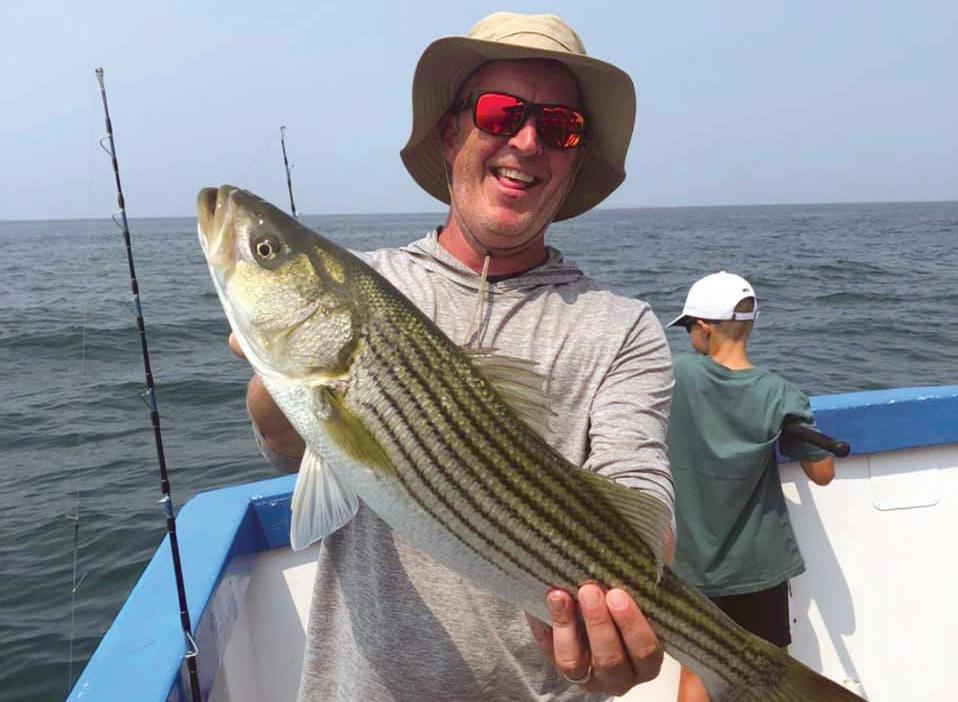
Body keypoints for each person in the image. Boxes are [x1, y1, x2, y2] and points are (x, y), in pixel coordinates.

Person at [233, 12, 676, 701]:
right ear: (449, 133)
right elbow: (288, 447)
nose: (526, 141)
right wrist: (287, 369)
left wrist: (626, 608)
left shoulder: (623, 328)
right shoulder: (364, 281)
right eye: (500, 113)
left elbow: (640, 491)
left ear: (576, 158)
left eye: (560, 127)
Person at [664, 271, 835, 702]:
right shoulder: (779, 393)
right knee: (769, 673)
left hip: (691, 565)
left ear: (704, 327)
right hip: (759, 565)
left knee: (696, 668)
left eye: (688, 327)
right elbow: (823, 473)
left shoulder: (675, 375)